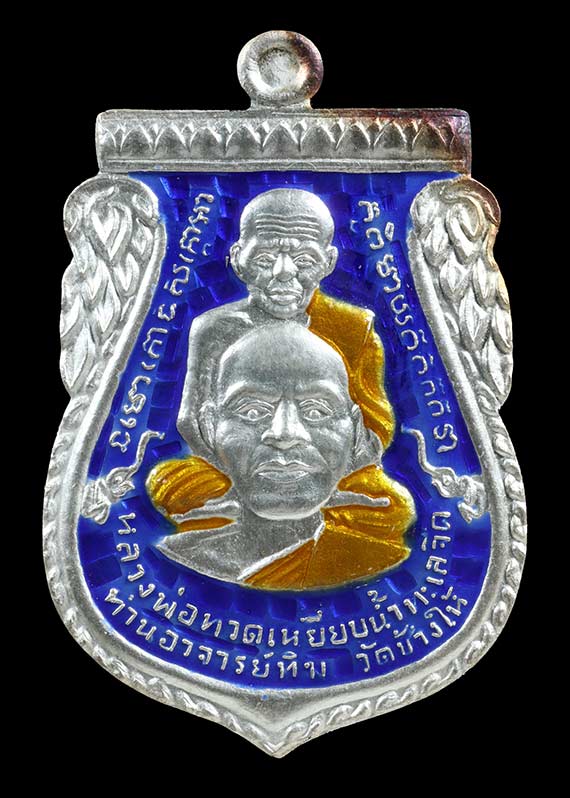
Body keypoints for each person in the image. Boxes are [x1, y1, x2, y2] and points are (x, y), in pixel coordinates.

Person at [158, 324, 414, 588]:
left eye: (316, 411)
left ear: (356, 431)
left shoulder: (378, 559)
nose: (284, 433)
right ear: (210, 427)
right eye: (252, 411)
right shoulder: (177, 555)